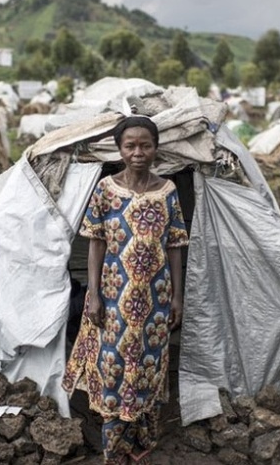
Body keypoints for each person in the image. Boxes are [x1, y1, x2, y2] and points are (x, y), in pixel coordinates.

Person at [62, 115, 189, 465]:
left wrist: (177, 296)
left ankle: (142, 440)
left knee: (149, 365)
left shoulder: (168, 192)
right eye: (130, 145)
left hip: (156, 298)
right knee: (113, 365)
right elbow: (96, 244)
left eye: (145, 145)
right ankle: (115, 447)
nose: (138, 152)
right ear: (119, 149)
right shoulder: (106, 190)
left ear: (155, 148)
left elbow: (176, 245)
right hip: (115, 296)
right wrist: (94, 295)